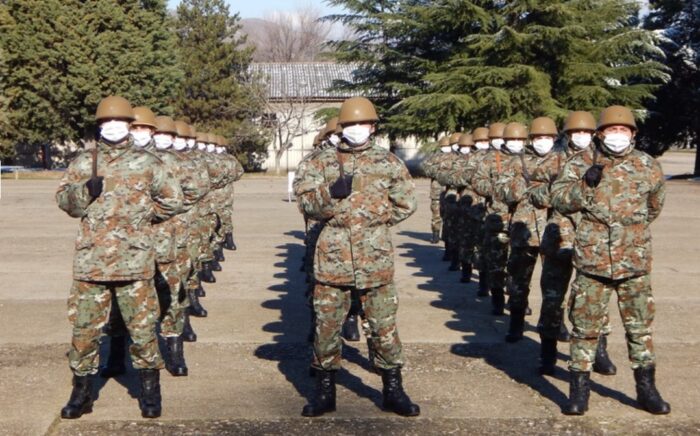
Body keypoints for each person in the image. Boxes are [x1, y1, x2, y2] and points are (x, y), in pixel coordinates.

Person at [56, 96, 183, 419]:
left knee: (142, 330)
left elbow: (173, 200)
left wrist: (139, 219)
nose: (112, 126)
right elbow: (65, 203)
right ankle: (81, 392)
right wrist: (86, 191)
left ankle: (150, 392)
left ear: (129, 125)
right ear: (99, 126)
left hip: (134, 261)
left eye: (119, 121)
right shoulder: (84, 162)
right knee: (84, 331)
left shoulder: (148, 162)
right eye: (106, 122)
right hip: (92, 263)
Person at [294, 97, 419, 417]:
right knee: (326, 326)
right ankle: (324, 392)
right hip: (332, 256)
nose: (357, 129)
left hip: (374, 256)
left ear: (373, 127)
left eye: (362, 124)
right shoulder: (319, 163)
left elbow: (406, 203)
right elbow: (306, 204)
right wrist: (330, 194)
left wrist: (373, 220)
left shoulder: (388, 162)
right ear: (342, 128)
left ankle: (393, 389)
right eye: (350, 125)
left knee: (383, 326)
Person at [552, 105, 670, 415]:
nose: (618, 135)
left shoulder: (648, 165)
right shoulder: (580, 163)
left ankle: (647, 390)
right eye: (612, 130)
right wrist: (584, 185)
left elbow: (654, 207)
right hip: (593, 263)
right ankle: (579, 393)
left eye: (624, 130)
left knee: (639, 330)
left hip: (634, 263)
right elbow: (560, 200)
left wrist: (629, 233)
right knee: (584, 329)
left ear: (633, 133)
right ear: (600, 133)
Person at [529, 111, 616, 375]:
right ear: (567, 135)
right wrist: (564, 190)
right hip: (559, 236)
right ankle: (547, 351)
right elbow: (535, 195)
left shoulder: (605, 160)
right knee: (553, 297)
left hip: (594, 239)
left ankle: (599, 350)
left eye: (587, 133)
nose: (581, 137)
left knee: (594, 297)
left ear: (595, 134)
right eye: (576, 132)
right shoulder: (551, 161)